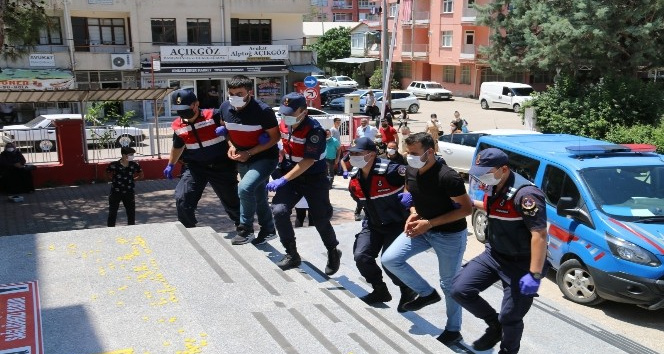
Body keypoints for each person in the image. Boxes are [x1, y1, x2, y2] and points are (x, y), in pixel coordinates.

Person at [451, 148, 547, 354]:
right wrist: (460, 203)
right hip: (494, 255)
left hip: (521, 263)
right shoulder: (494, 185)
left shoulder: (526, 195)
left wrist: (535, 274)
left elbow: (539, 235)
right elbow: (492, 207)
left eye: (485, 171)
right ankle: (495, 326)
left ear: (503, 169)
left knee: (510, 317)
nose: (480, 177)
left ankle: (508, 350)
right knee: (460, 290)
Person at [381, 132, 472, 346]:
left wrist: (429, 223)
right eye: (407, 152)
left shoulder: (448, 177)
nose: (409, 156)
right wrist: (413, 210)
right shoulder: (411, 169)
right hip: (422, 227)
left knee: (449, 283)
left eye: (414, 153)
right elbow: (410, 190)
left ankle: (453, 330)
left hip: (449, 235)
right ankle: (426, 293)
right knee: (390, 259)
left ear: (430, 152)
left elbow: (466, 209)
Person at [267, 92, 342, 275]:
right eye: (284, 113)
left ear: (303, 111)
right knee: (279, 210)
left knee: (319, 218)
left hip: (313, 178)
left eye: (291, 113)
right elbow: (281, 140)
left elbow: (307, 161)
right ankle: (292, 254)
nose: (286, 117)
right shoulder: (285, 123)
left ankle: (333, 251)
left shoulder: (314, 130)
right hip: (292, 175)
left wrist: (283, 179)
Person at [347, 137, 418, 310]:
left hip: (396, 224)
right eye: (352, 153)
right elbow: (359, 199)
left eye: (358, 153)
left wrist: (408, 194)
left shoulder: (390, 170)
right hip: (373, 224)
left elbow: (414, 172)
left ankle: (407, 289)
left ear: (371, 155)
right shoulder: (355, 178)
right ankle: (380, 290)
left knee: (389, 261)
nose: (353, 157)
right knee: (361, 256)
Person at [163, 89, 241, 231]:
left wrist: (226, 131)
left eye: (186, 108)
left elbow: (239, 127)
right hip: (195, 167)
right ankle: (190, 229)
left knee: (232, 201)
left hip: (221, 166)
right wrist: (170, 164)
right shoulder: (177, 126)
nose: (182, 113)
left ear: (196, 104)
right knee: (182, 198)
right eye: (178, 109)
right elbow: (177, 146)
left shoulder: (215, 115)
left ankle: (243, 227)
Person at [220, 75, 281, 245]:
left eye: (239, 93)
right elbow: (226, 131)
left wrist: (250, 152)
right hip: (241, 157)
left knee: (244, 189)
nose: (234, 97)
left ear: (250, 92)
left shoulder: (263, 111)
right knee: (258, 195)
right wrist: (231, 146)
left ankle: (245, 230)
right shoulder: (225, 107)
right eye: (231, 93)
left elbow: (275, 137)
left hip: (264, 157)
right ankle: (268, 229)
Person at [106, 146, 143, 227]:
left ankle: (131, 228)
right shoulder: (114, 165)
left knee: (131, 213)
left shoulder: (134, 165)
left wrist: (133, 180)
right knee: (112, 212)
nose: (132, 156)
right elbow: (106, 173)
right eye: (130, 154)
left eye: (132, 154)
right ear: (123, 155)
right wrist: (113, 180)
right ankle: (110, 229)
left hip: (129, 192)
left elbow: (141, 175)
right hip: (116, 192)